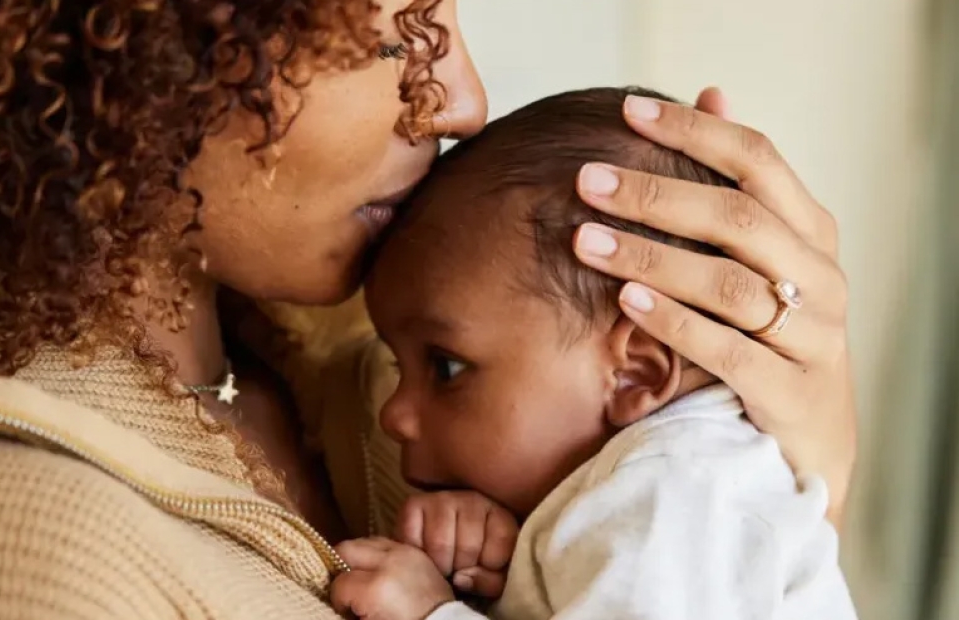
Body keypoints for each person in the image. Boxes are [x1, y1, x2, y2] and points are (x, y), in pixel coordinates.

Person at [0, 1, 856, 618]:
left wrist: (779, 480)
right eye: (396, 32)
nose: (461, 98)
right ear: (153, 43)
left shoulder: (386, 348)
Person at [326, 88, 858, 620]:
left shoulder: (673, 491)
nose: (392, 414)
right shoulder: (680, 482)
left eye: (446, 366)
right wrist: (511, 558)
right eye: (400, 366)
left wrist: (432, 612)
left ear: (635, 373)